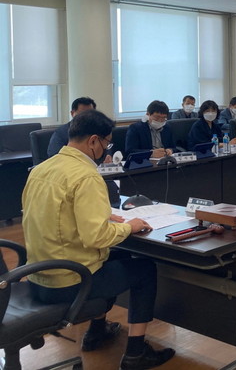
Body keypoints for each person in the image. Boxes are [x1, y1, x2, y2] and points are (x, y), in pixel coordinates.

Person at [22, 110, 175, 369]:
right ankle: (136, 354)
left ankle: (97, 331)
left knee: (120, 256)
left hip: (37, 275)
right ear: (93, 141)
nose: (106, 150)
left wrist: (102, 216)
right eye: (107, 143)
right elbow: (96, 237)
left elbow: (52, 215)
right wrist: (129, 227)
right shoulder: (86, 175)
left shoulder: (41, 169)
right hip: (69, 281)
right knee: (144, 269)